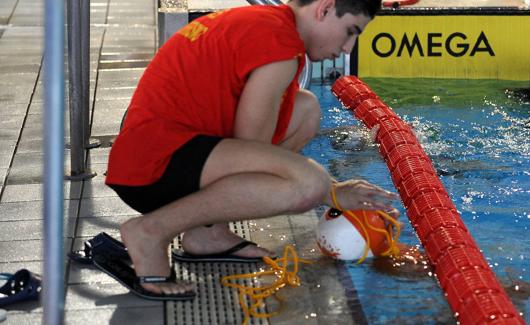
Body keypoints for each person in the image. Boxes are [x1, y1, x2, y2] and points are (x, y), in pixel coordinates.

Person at [105, 0, 397, 297]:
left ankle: (207, 233)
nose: (348, 47)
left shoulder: (268, 23)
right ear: (324, 8)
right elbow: (253, 150)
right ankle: (151, 231)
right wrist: (332, 191)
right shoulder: (279, 44)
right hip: (152, 169)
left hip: (152, 153)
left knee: (306, 110)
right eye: (350, 31)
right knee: (307, 184)